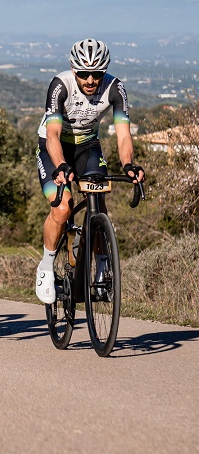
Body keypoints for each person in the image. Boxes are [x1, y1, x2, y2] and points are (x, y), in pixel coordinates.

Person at [35, 37, 145, 304]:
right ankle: (46, 267)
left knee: (98, 199)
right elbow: (52, 134)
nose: (90, 80)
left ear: (104, 70)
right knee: (62, 207)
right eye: (84, 74)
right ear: (74, 70)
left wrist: (128, 165)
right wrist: (61, 165)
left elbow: (123, 135)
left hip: (88, 147)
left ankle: (103, 268)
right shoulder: (61, 85)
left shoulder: (115, 88)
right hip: (54, 148)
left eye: (96, 74)